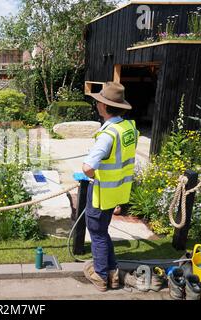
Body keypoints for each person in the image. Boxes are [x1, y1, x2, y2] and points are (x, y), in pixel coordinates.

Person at [82, 82, 139, 292]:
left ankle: (100, 276)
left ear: (104, 107)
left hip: (101, 192)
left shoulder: (107, 134)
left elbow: (88, 167)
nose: (97, 104)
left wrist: (92, 173)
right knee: (103, 232)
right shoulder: (128, 128)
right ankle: (113, 273)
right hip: (117, 192)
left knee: (97, 233)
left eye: (99, 101)